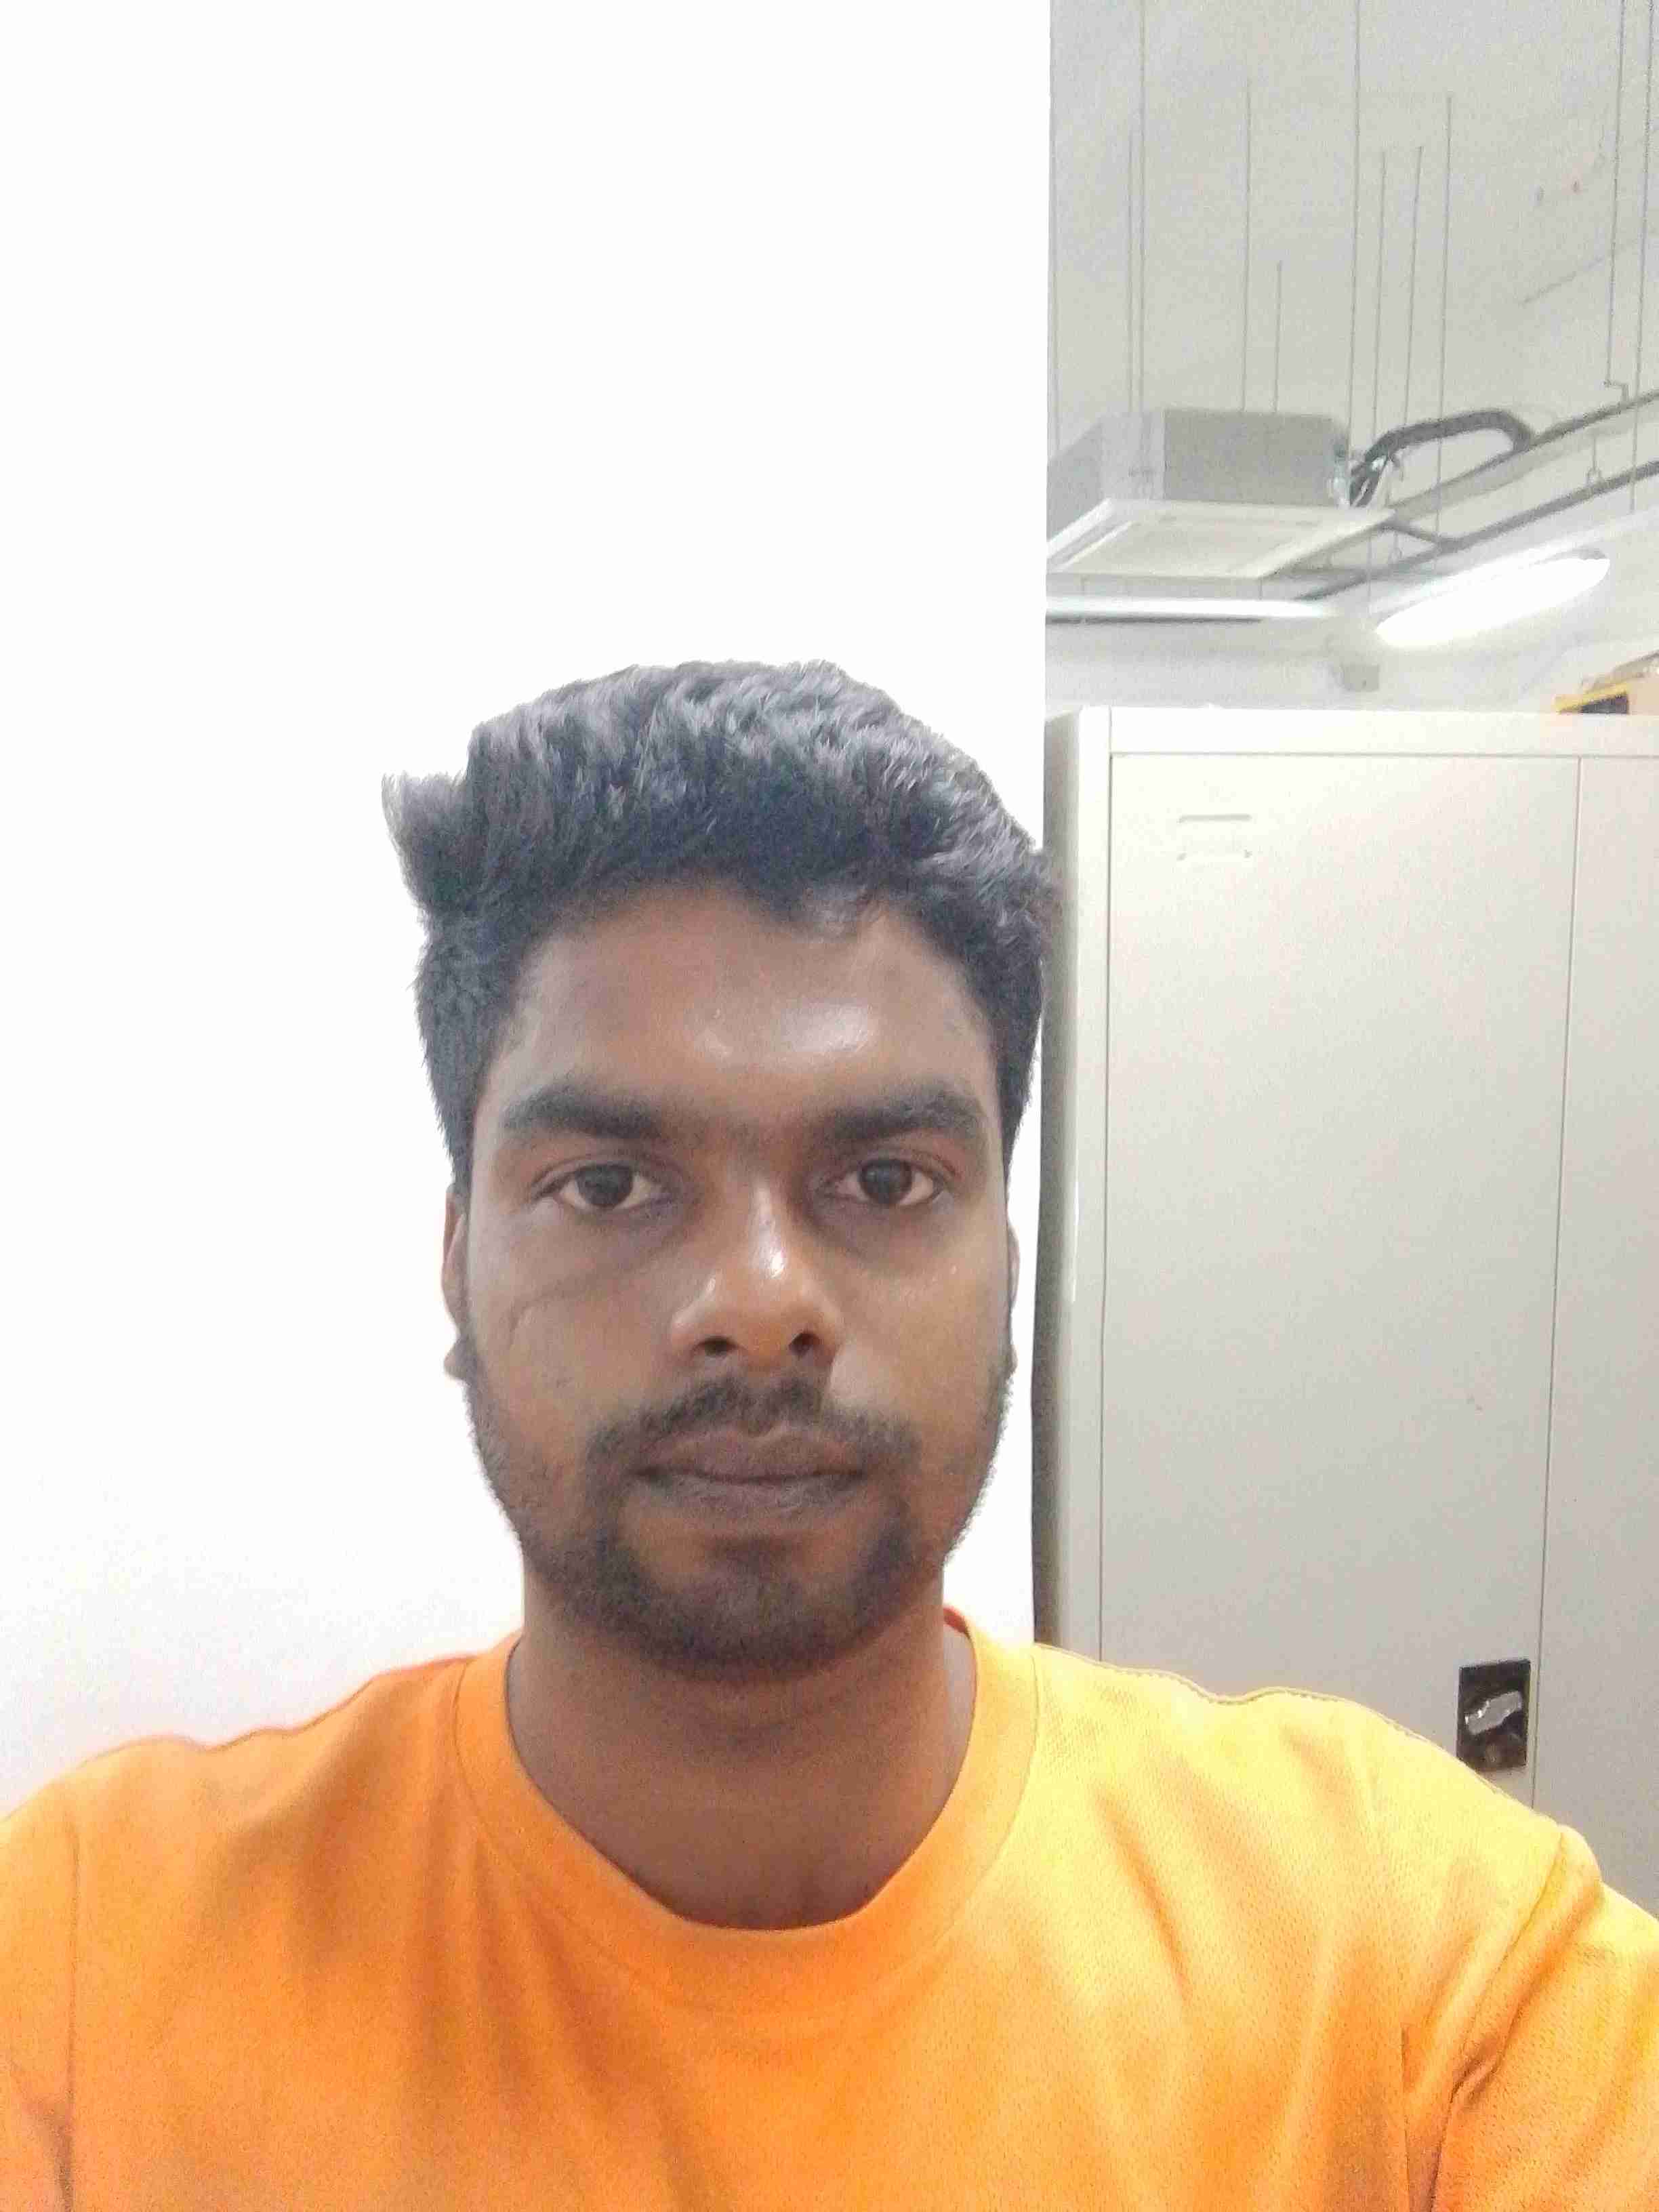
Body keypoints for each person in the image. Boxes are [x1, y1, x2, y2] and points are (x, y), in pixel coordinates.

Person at [2, 660, 1654, 2209]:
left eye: (883, 1182)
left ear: (1008, 1264)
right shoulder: (84, 1965)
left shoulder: (1428, 1963)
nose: (758, 1302)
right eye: (610, 1185)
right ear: (457, 1262)